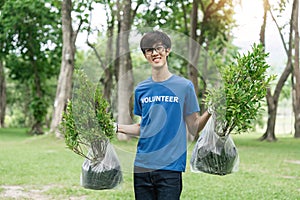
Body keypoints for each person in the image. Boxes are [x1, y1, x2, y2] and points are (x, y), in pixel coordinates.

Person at [116, 31, 211, 200]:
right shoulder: (141, 89)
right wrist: (116, 127)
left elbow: (194, 126)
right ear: (145, 55)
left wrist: (211, 110)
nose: (154, 53)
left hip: (170, 168)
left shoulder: (184, 87)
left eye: (158, 48)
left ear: (167, 50)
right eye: (148, 50)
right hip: (142, 167)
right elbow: (143, 127)